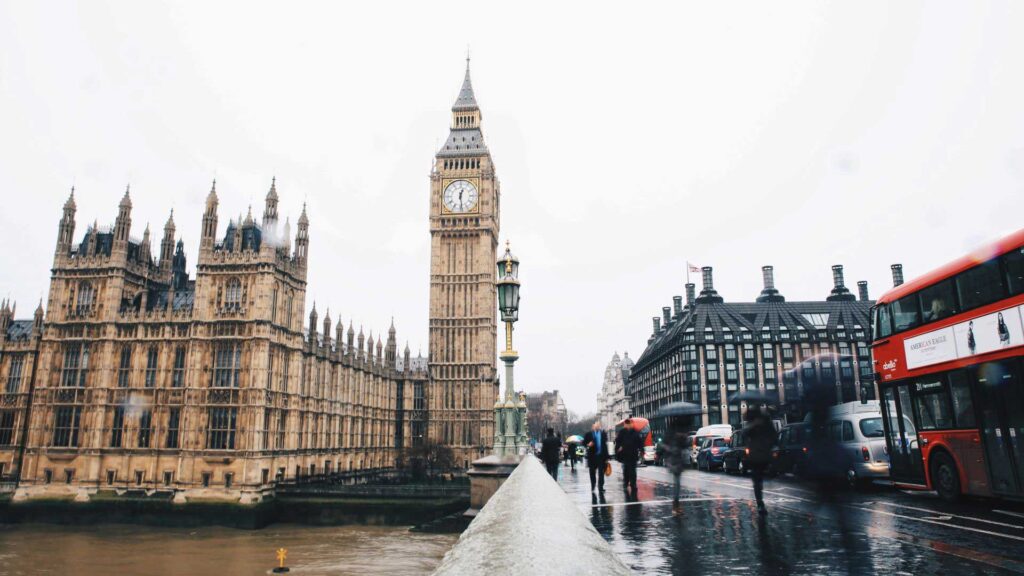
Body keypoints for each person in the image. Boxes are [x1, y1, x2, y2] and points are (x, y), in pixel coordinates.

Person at [743, 406, 776, 515]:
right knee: (757, 481)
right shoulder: (753, 425)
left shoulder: (765, 423)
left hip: (761, 455)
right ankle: (760, 504)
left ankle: (760, 503)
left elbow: (773, 436)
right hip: (757, 456)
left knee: (758, 481)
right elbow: (745, 434)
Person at [658, 427, 689, 508]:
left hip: (677, 462)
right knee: (676, 481)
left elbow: (685, 447)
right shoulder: (671, 437)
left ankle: (676, 499)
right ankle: (676, 499)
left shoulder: (680, 438)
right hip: (673, 462)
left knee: (677, 481)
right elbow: (663, 446)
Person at [615, 418, 643, 496]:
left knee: (633, 471)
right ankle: (626, 483)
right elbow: (618, 442)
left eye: (629, 424)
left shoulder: (635, 432)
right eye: (626, 424)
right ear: (625, 425)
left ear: (631, 424)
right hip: (625, 455)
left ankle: (633, 484)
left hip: (633, 455)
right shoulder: (622, 432)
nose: (627, 425)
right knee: (626, 471)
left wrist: (641, 450)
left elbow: (639, 442)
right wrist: (618, 448)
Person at [583, 421, 610, 492]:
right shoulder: (588, 434)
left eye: (599, 425)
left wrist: (607, 457)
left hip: (601, 456)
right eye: (596, 425)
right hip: (592, 456)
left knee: (601, 472)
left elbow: (605, 445)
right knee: (592, 472)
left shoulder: (603, 434)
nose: (597, 426)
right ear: (593, 426)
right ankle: (593, 485)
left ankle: (600, 486)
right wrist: (588, 444)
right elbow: (583, 443)